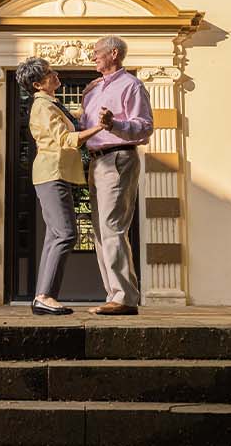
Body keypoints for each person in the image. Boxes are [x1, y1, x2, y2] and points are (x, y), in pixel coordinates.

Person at [15, 56, 110, 315]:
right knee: (66, 233)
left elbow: (74, 118)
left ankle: (42, 297)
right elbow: (67, 138)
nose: (55, 74)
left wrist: (90, 96)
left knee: (56, 235)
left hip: (56, 174)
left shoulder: (52, 104)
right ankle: (45, 296)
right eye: (48, 73)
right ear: (37, 84)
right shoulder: (43, 108)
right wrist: (100, 128)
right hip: (52, 174)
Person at [79, 35, 153, 315]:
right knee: (101, 231)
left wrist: (114, 123)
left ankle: (124, 297)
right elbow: (86, 126)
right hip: (96, 162)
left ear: (113, 53)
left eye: (97, 51)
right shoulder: (94, 89)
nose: (93, 56)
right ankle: (115, 294)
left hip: (119, 157)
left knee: (112, 227)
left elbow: (145, 127)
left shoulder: (131, 85)